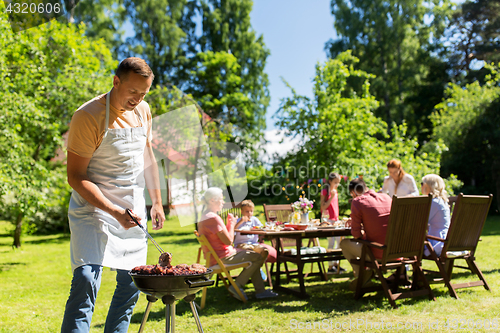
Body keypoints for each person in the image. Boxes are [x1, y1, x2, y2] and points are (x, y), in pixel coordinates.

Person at [61, 57, 166, 333]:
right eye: (133, 92)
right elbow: (76, 176)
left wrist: (156, 201)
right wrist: (114, 212)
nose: (138, 99)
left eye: (144, 93)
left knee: (131, 284)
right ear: (116, 81)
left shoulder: (143, 111)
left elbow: (148, 157)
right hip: (94, 210)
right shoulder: (88, 116)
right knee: (86, 278)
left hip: (131, 209)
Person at [198, 188, 278, 301]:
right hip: (223, 258)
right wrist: (232, 223)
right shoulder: (213, 218)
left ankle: (260, 291)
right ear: (212, 200)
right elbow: (229, 241)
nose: (222, 202)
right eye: (221, 199)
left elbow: (222, 237)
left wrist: (230, 224)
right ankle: (237, 286)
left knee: (254, 254)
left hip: (216, 256)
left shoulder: (205, 216)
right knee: (258, 257)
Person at [340, 178, 392, 289]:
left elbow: (356, 235)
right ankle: (368, 275)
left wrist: (358, 225)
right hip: (396, 250)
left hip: (379, 252)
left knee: (344, 243)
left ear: (353, 193)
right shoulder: (386, 197)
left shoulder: (358, 201)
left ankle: (362, 277)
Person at [320, 172, 345, 274]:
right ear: (330, 181)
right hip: (327, 220)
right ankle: (330, 267)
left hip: (335, 220)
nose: (337, 185)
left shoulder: (335, 191)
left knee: (340, 242)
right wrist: (331, 197)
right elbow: (323, 207)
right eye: (335, 182)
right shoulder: (325, 191)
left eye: (338, 183)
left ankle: (336, 265)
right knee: (331, 242)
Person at [421, 174, 451, 256]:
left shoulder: (434, 202)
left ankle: (406, 266)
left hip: (436, 242)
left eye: (422, 184)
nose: (421, 186)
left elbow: (420, 222)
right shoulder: (442, 201)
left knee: (406, 244)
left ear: (429, 186)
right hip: (445, 239)